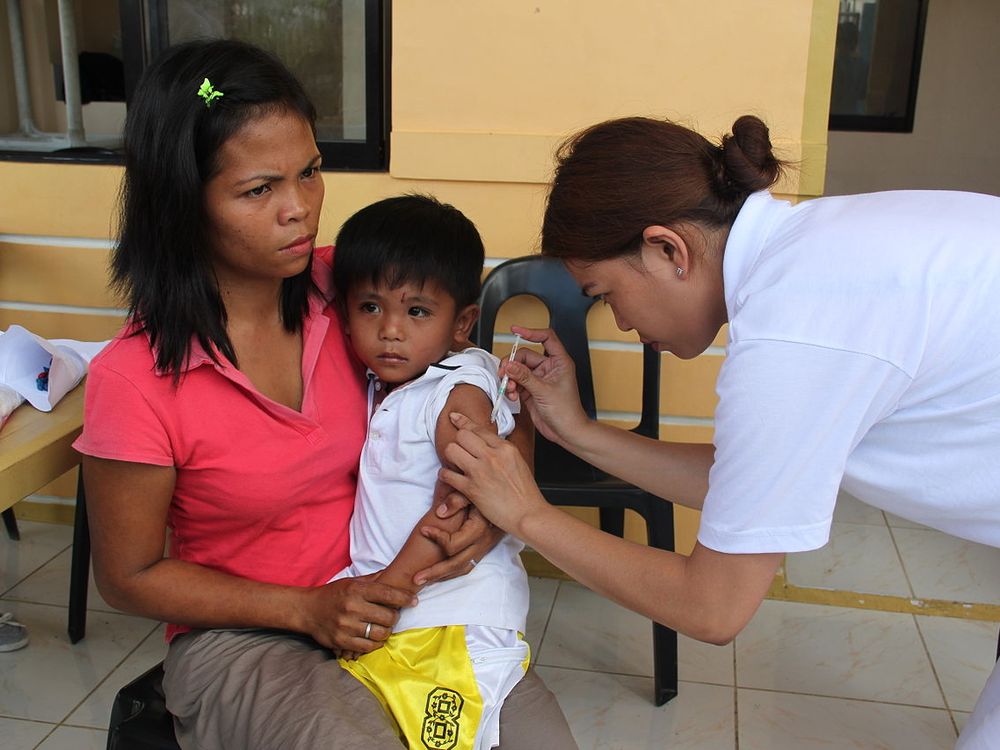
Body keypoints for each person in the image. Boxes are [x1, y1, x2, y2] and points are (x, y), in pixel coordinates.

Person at [438, 115, 1000, 750]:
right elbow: (741, 484)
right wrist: (577, 432)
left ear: (668, 249)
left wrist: (526, 514)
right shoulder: (808, 255)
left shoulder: (794, 326)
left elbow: (712, 608)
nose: (619, 322)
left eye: (604, 294)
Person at [72, 39, 569, 750]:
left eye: (309, 173)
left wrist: (491, 503)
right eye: (259, 190)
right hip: (248, 639)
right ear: (184, 203)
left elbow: (480, 379)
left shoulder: (356, 295)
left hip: (413, 611)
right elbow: (127, 577)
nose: (300, 209)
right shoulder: (136, 377)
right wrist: (307, 608)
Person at [329, 194, 573, 750]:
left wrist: (387, 588)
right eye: (370, 308)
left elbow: (463, 497)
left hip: (451, 624)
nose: (390, 330)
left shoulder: (455, 389)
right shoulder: (402, 380)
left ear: (462, 323)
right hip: (418, 618)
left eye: (416, 312)